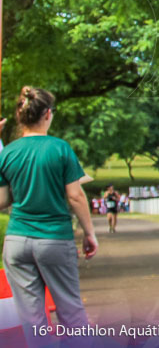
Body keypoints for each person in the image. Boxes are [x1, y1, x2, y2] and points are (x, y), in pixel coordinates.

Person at [0, 87, 98, 337]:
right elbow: (75, 196)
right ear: (47, 114)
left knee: (33, 321)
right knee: (71, 314)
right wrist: (89, 233)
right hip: (54, 239)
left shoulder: (8, 153)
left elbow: (2, 201)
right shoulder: (60, 148)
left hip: (16, 242)